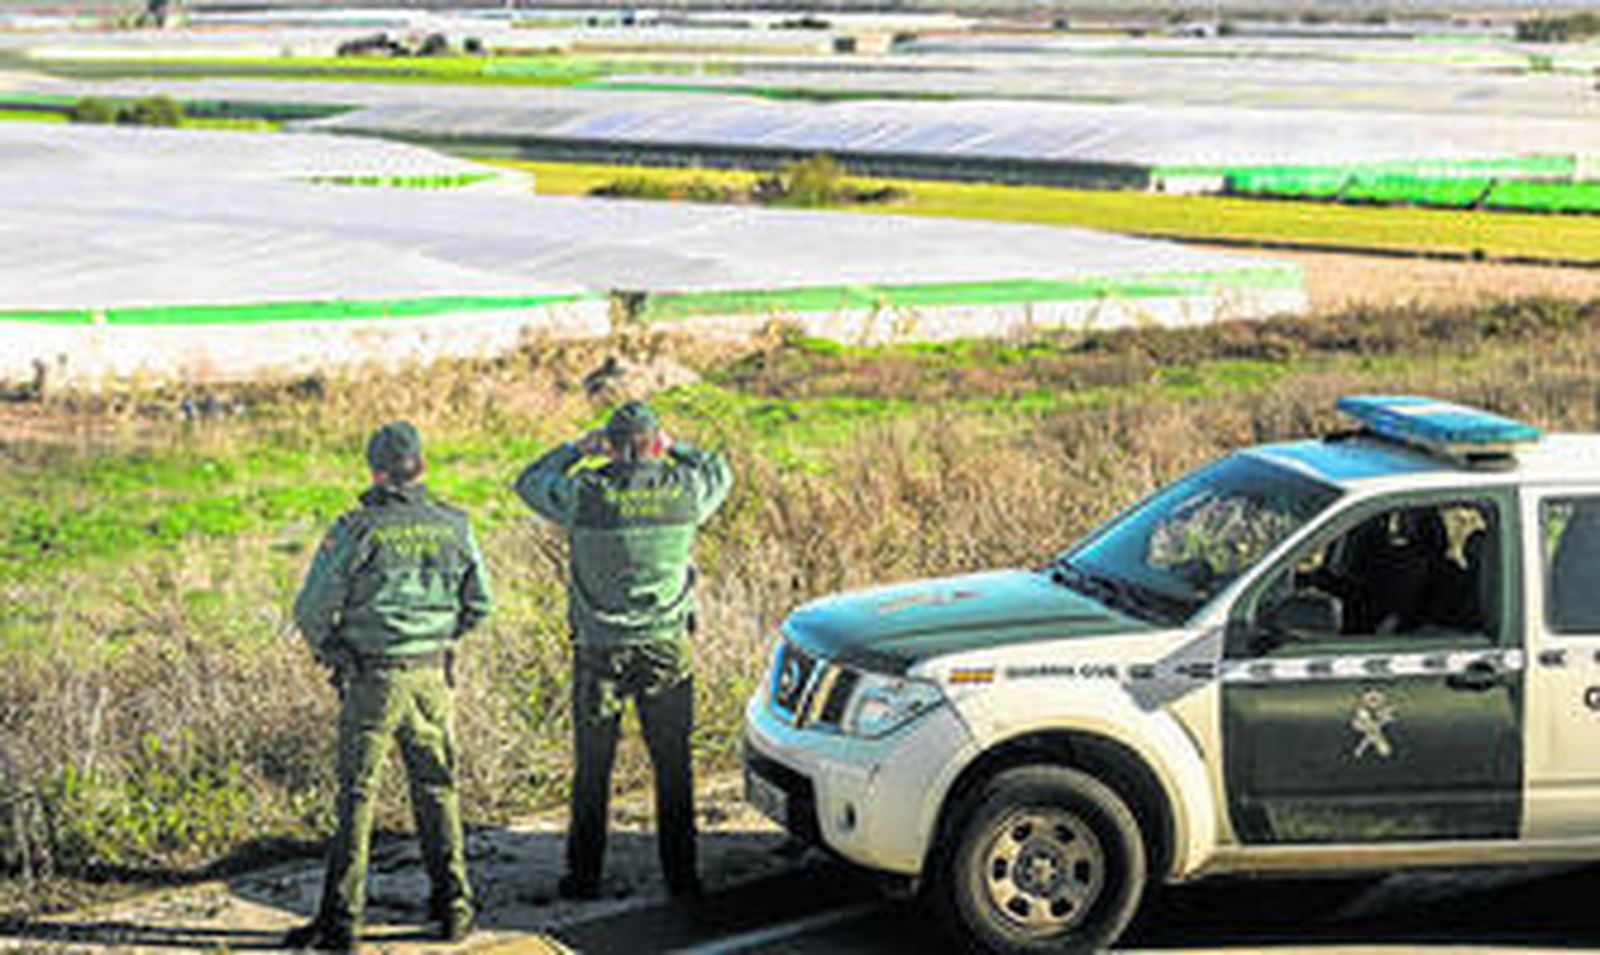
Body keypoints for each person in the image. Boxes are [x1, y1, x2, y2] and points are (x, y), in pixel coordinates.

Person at [287, 422, 493, 951]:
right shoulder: (455, 524)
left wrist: (335, 651)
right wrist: (441, 637)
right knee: (438, 789)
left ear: (375, 473)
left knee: (357, 797)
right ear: (421, 467)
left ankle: (342, 922)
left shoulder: (357, 529)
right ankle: (455, 910)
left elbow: (310, 611)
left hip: (372, 678)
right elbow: (480, 605)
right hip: (432, 676)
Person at [516, 401, 732, 902]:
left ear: (609, 446)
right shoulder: (685, 490)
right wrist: (677, 447)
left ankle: (583, 878)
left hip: (599, 649)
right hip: (665, 647)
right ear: (655, 443)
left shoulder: (586, 493)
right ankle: (682, 878)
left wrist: (575, 449)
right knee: (673, 766)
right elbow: (720, 470)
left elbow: (528, 482)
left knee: (593, 768)